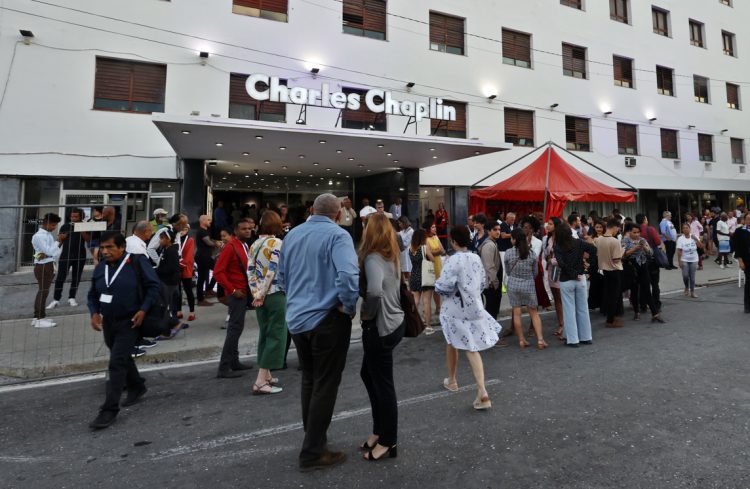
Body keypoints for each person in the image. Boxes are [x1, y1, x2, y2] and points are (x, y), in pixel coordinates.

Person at [278, 193, 359, 472]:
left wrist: (299, 300)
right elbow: (348, 275)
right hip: (327, 318)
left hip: (298, 319)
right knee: (325, 383)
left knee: (310, 381)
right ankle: (313, 451)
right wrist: (347, 306)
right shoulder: (338, 236)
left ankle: (314, 438)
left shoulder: (292, 235)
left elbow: (281, 277)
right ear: (338, 214)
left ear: (312, 210)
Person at [87, 231, 160, 429]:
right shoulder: (101, 268)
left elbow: (154, 287)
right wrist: (94, 313)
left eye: (110, 247)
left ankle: (109, 410)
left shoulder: (136, 263)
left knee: (117, 361)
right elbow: (93, 294)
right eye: (102, 248)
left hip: (131, 321)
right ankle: (137, 385)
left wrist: (143, 310)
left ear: (122, 247)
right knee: (121, 356)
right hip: (109, 322)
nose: (105, 251)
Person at [436, 226, 500, 410]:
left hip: (455, 308)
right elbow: (481, 282)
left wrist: (440, 287)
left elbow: (444, 285)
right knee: (469, 347)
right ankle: (479, 390)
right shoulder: (475, 257)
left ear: (454, 241)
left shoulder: (452, 260)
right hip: (475, 306)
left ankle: (456, 381)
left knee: (454, 341)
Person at [357, 213, 405, 461]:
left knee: (383, 384)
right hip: (395, 323)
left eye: (366, 227)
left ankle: (388, 440)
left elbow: (374, 291)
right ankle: (379, 431)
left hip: (381, 326)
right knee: (368, 374)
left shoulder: (373, 257)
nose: (363, 231)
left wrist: (366, 313)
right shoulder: (391, 255)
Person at [249, 211, 287, 395]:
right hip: (275, 294)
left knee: (265, 332)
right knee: (276, 334)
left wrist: (256, 293)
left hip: (259, 295)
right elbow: (272, 270)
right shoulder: (276, 243)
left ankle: (267, 375)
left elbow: (250, 271)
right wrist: (263, 293)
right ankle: (261, 380)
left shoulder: (254, 244)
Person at [213, 219, 255, 378]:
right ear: (235, 232)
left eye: (249, 229)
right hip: (237, 294)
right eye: (243, 229)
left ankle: (234, 362)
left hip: (243, 293)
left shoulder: (243, 246)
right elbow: (218, 272)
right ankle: (224, 368)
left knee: (236, 329)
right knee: (234, 329)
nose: (247, 231)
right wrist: (233, 289)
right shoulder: (231, 247)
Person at [554, 220, 597, 347]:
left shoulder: (558, 247)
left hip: (567, 280)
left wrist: (573, 273)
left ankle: (573, 340)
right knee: (583, 309)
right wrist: (588, 268)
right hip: (581, 278)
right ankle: (586, 337)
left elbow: (561, 263)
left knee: (569, 311)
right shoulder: (579, 242)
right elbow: (594, 249)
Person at [505, 228, 546, 349]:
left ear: (514, 240)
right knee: (534, 313)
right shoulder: (531, 253)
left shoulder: (508, 252)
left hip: (513, 285)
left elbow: (507, 271)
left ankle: (522, 340)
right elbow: (535, 272)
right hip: (528, 285)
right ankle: (540, 340)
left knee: (517, 313)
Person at [622, 224, 665, 323]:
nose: (637, 234)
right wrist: (635, 249)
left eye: (638, 232)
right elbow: (624, 254)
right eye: (634, 232)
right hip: (631, 267)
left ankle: (655, 313)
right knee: (634, 290)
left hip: (643, 265)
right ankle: (636, 312)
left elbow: (651, 253)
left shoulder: (643, 240)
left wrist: (645, 248)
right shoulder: (625, 241)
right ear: (629, 232)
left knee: (646, 289)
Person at [48, 208, 87, 310]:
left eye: (76, 217)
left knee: (76, 277)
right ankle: (56, 299)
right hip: (66, 255)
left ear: (81, 217)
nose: (73, 218)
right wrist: (60, 240)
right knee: (60, 277)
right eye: (72, 216)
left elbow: (88, 239)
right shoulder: (65, 226)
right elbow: (59, 241)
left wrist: (81, 228)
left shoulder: (85, 226)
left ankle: (72, 297)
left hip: (80, 255)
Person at [32, 213, 64, 328]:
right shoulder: (40, 236)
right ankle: (39, 318)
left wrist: (59, 242)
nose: (54, 228)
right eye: (54, 225)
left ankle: (38, 318)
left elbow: (54, 253)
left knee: (44, 291)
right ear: (47, 223)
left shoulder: (48, 235)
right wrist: (58, 241)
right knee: (43, 291)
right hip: (43, 266)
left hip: (48, 264)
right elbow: (50, 252)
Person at [154, 229, 184, 339]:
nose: (160, 240)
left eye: (162, 238)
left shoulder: (171, 251)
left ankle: (170, 328)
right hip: (166, 282)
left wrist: (156, 271)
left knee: (166, 307)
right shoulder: (165, 249)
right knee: (166, 307)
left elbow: (171, 268)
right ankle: (170, 326)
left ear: (168, 239)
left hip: (170, 283)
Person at [596, 219, 625, 328]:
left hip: (604, 270)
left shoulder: (599, 239)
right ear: (615, 227)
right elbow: (617, 259)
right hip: (614, 270)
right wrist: (622, 251)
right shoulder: (614, 241)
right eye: (618, 228)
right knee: (614, 296)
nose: (618, 230)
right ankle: (611, 320)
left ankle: (610, 317)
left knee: (608, 295)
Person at [409, 228, 436, 334]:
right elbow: (432, 259)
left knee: (415, 301)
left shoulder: (411, 249)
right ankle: (428, 326)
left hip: (414, 276)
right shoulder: (424, 248)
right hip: (425, 276)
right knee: (426, 302)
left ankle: (413, 324)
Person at [542, 217, 565, 338]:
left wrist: (552, 260)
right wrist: (548, 258)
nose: (547, 226)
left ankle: (565, 325)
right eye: (547, 224)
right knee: (556, 298)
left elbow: (565, 256)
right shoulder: (548, 239)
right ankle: (561, 323)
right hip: (552, 271)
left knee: (562, 298)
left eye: (550, 224)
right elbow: (545, 254)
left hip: (561, 271)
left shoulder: (562, 239)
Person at [636, 214, 663, 312]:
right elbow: (658, 242)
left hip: (639, 260)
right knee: (654, 283)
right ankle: (656, 304)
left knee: (642, 283)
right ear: (644, 220)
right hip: (651, 260)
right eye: (646, 218)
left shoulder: (635, 231)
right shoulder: (650, 229)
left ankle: (643, 304)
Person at [478, 221, 502, 321]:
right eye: (495, 230)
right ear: (489, 231)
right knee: (491, 311)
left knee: (493, 310)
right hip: (491, 284)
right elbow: (489, 267)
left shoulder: (492, 243)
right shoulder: (489, 245)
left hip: (492, 283)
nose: (498, 232)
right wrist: (495, 282)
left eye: (499, 230)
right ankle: (490, 335)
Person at [196, 215, 221, 306]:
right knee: (201, 278)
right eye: (208, 220)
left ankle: (209, 290)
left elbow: (210, 240)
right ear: (203, 221)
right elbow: (208, 242)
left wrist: (216, 241)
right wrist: (217, 243)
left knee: (218, 270)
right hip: (202, 257)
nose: (210, 221)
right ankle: (200, 299)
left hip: (206, 257)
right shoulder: (201, 231)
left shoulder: (206, 231)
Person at [425, 218, 446, 326]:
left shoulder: (436, 237)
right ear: (428, 228)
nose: (435, 228)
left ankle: (438, 307)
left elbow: (442, 250)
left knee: (437, 288)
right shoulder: (426, 239)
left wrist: (435, 252)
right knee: (431, 288)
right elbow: (429, 253)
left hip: (438, 264)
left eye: (435, 227)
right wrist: (436, 252)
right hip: (430, 266)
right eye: (433, 227)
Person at [176, 226, 196, 321]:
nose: (182, 231)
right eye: (180, 229)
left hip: (186, 267)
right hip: (176, 267)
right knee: (177, 291)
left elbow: (189, 256)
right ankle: (178, 311)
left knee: (188, 290)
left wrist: (181, 263)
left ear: (187, 230)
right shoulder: (175, 238)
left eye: (184, 229)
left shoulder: (190, 240)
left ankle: (192, 312)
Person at [676, 223, 702, 298]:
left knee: (692, 276)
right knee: (685, 276)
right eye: (683, 228)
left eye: (687, 228)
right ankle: (686, 286)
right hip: (684, 259)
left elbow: (701, 246)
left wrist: (696, 239)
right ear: (682, 230)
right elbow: (679, 251)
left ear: (690, 229)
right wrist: (679, 261)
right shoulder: (680, 239)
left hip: (694, 259)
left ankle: (692, 292)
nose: (685, 229)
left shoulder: (694, 237)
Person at [733, 212, 750, 313]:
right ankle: (747, 306)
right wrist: (740, 260)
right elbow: (736, 247)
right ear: (744, 220)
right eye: (748, 218)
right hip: (746, 260)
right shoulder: (739, 231)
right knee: (749, 283)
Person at [397, 216, 414, 283]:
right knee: (402, 270)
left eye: (400, 223)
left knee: (408, 271)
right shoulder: (402, 231)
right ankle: (404, 288)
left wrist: (398, 240)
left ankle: (411, 288)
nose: (399, 225)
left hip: (407, 253)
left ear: (404, 223)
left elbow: (405, 244)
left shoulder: (411, 231)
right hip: (401, 253)